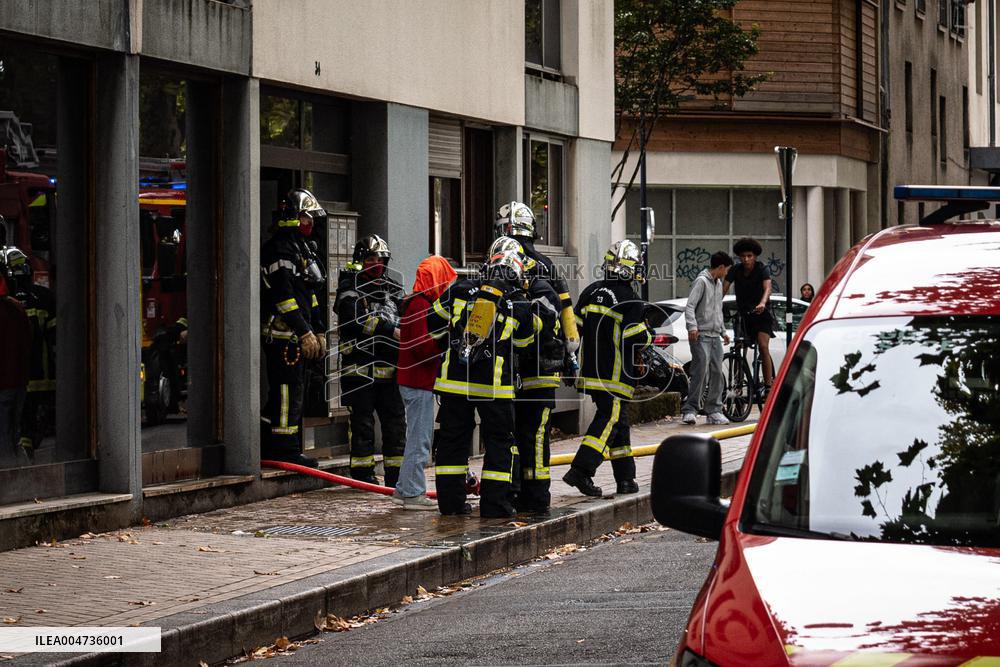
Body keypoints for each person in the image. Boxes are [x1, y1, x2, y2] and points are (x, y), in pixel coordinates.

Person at [427, 246, 540, 517]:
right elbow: (525, 343)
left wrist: (454, 341)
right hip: (494, 387)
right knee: (499, 443)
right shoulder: (519, 300)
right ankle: (495, 506)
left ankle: (451, 506)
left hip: (453, 383)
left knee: (452, 443)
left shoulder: (460, 288)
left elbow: (432, 324)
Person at [562, 240, 652, 498]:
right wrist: (648, 335)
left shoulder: (591, 291)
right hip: (614, 376)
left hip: (591, 372)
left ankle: (626, 479)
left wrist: (569, 364)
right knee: (608, 420)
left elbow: (572, 332)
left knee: (619, 425)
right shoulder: (630, 300)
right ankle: (581, 471)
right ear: (629, 269)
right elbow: (635, 339)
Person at [489, 234, 561, 514]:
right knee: (519, 436)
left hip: (541, 375)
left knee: (537, 436)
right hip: (518, 378)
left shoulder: (541, 288)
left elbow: (539, 326)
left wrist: (519, 304)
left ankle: (539, 497)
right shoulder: (511, 289)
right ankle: (519, 492)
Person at [260, 188, 328, 468]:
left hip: (297, 336)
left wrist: (319, 329)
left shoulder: (302, 248)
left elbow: (308, 295)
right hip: (281, 337)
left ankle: (277, 443)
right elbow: (284, 298)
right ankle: (285, 451)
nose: (310, 223)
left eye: (311, 218)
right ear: (292, 216)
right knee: (286, 393)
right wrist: (304, 331)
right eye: (305, 217)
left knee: (294, 391)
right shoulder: (279, 249)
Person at [334, 234, 406, 486]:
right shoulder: (348, 288)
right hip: (359, 369)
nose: (377, 263)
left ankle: (396, 477)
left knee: (395, 424)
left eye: (381, 259)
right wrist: (389, 329)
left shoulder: (394, 288)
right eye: (371, 258)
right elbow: (354, 321)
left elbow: (406, 319)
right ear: (360, 260)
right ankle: (363, 475)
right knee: (362, 423)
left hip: (391, 369)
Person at [392, 255, 457, 510]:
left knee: (417, 438)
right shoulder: (420, 305)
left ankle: (404, 488)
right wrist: (445, 340)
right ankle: (412, 493)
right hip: (417, 381)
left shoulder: (417, 303)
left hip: (415, 380)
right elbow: (422, 348)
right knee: (420, 440)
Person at [3, 247, 56, 459]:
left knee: (14, 423)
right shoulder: (43, 297)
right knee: (31, 419)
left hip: (14, 376)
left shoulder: (8, 302)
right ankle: (24, 452)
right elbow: (55, 338)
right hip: (39, 375)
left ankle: (20, 454)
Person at [681, 251, 733, 426]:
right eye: (726, 270)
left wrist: (723, 331)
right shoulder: (701, 282)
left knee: (718, 372)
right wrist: (692, 327)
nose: (726, 273)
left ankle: (714, 411)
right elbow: (690, 306)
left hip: (714, 335)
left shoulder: (718, 285)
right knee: (700, 372)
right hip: (701, 335)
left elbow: (717, 310)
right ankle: (690, 410)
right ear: (720, 267)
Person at [724, 237, 776, 392]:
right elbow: (723, 289)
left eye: (749, 256)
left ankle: (768, 386)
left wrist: (762, 302)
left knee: (763, 345)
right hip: (744, 315)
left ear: (755, 256)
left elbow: (767, 288)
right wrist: (714, 304)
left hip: (761, 314)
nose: (746, 259)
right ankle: (737, 385)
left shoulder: (762, 268)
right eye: (743, 256)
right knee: (738, 348)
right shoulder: (735, 270)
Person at [0, 250, 31, 464]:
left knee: (4, 435)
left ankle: (12, 476)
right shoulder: (17, 309)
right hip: (17, 382)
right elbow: (28, 345)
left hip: (3, 383)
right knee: (13, 433)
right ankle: (22, 471)